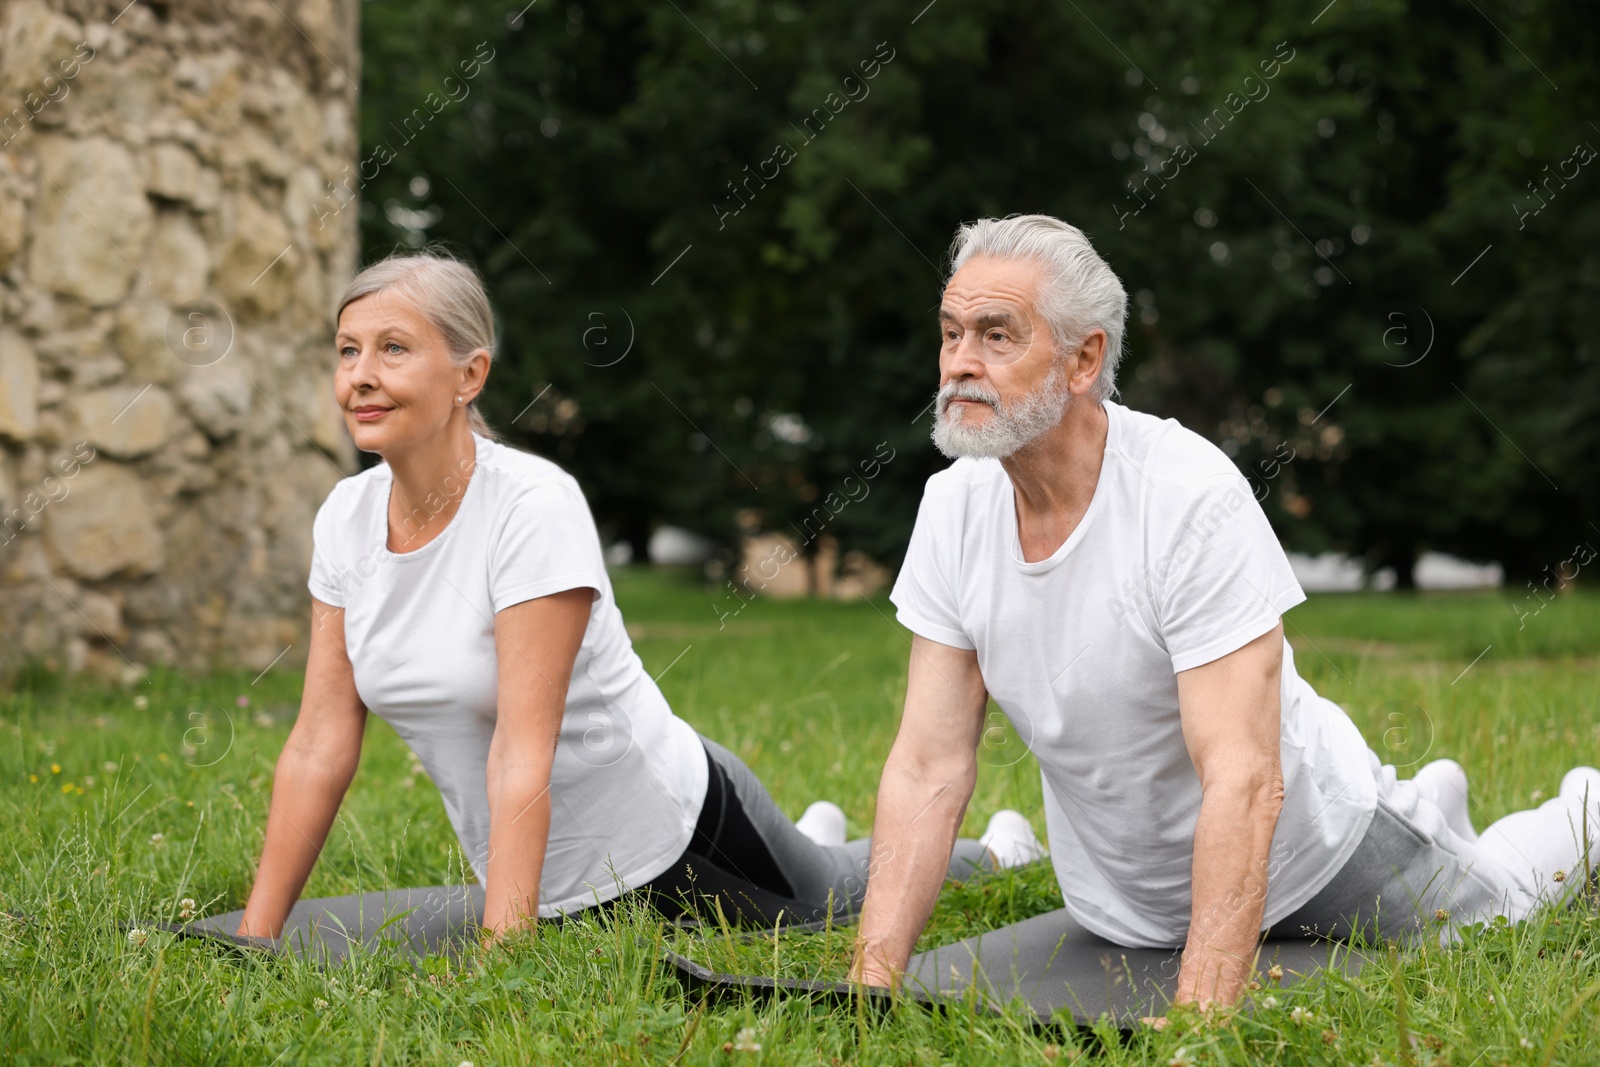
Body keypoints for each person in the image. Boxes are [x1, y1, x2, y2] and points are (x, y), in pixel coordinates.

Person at [847, 214, 1600, 1013]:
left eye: (998, 336)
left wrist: (1200, 1024)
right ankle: (1434, 797)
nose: (961, 363)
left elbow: (1242, 776)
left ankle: (1576, 806)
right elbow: (929, 765)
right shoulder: (952, 508)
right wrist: (868, 986)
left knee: (1506, 902)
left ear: (1084, 358)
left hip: (1319, 862)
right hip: (1126, 911)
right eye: (952, 332)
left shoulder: (1187, 499)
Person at [236, 251, 1039, 941]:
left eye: (393, 349)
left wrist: (501, 957)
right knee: (812, 859)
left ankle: (1000, 847)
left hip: (677, 837)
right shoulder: (345, 518)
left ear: (469, 374)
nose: (360, 376)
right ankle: (809, 831)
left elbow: (525, 750)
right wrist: (255, 936)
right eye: (347, 351)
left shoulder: (529, 507)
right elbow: (318, 742)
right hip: (550, 876)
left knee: (832, 893)